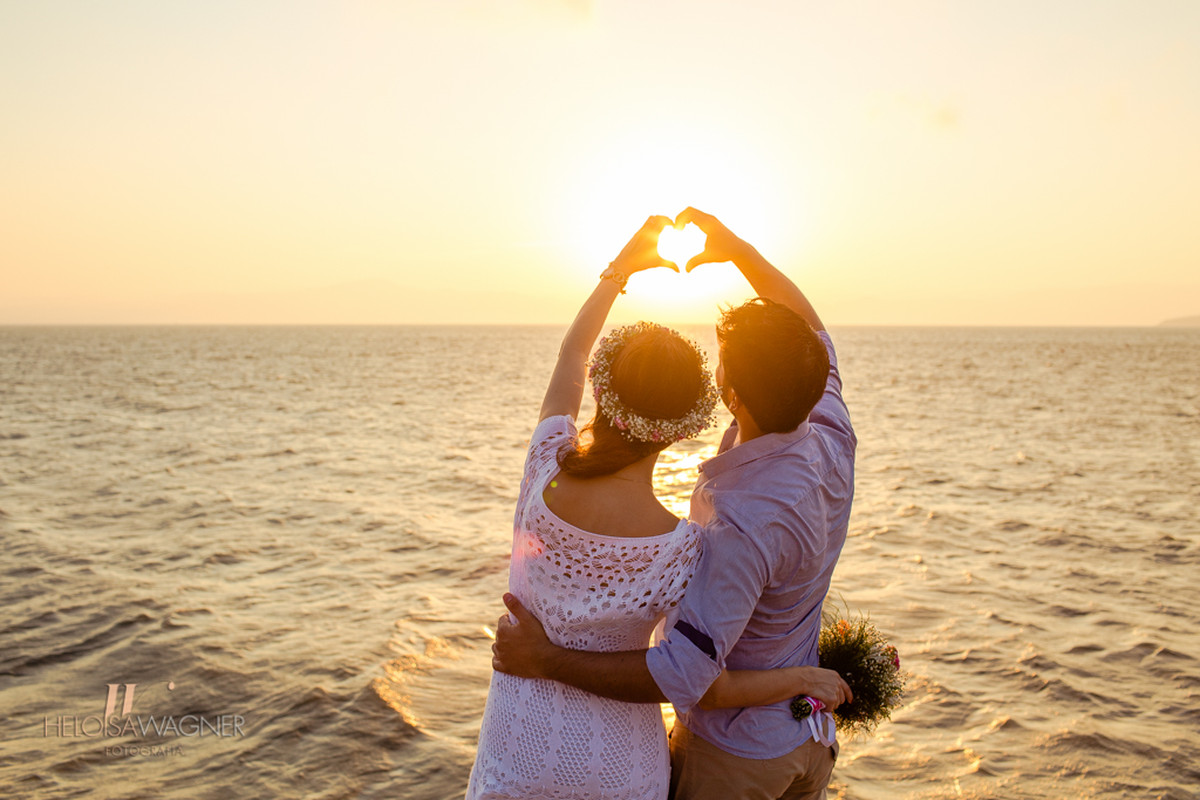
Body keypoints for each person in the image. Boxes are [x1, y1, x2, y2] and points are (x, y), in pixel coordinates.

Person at [467, 215, 852, 800]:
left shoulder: (548, 467)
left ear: (728, 395)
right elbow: (812, 335)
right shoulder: (831, 435)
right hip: (705, 756)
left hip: (717, 755)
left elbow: (686, 675)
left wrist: (618, 272)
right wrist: (741, 252)